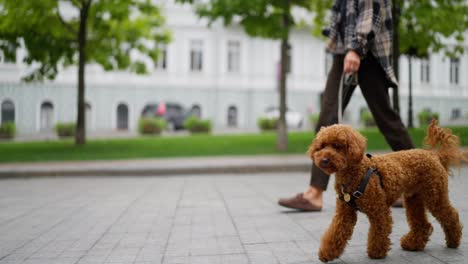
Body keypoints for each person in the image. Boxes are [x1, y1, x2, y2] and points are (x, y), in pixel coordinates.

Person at [278, 0, 414, 211]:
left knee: (387, 119)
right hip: (344, 51)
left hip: (367, 52)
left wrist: (356, 49)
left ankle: (416, 179)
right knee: (327, 119)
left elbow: (371, 10)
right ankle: (314, 194)